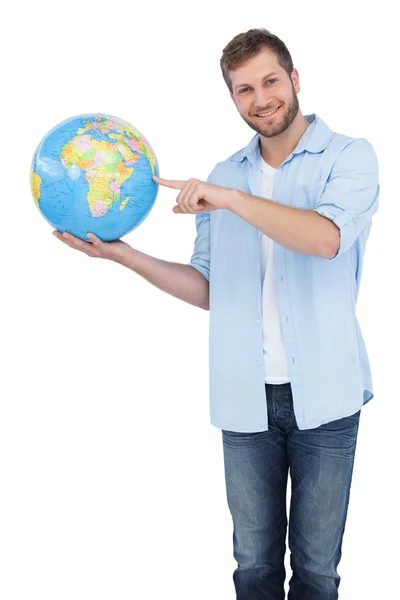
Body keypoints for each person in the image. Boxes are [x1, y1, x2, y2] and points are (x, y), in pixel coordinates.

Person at [53, 28, 380, 600]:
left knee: (317, 572)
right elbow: (208, 289)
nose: (261, 98)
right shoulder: (223, 176)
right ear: (233, 98)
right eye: (244, 89)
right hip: (244, 400)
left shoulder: (349, 156)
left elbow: (326, 239)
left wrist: (228, 199)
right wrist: (125, 256)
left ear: (295, 80)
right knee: (252, 568)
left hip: (327, 398)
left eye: (270, 81)